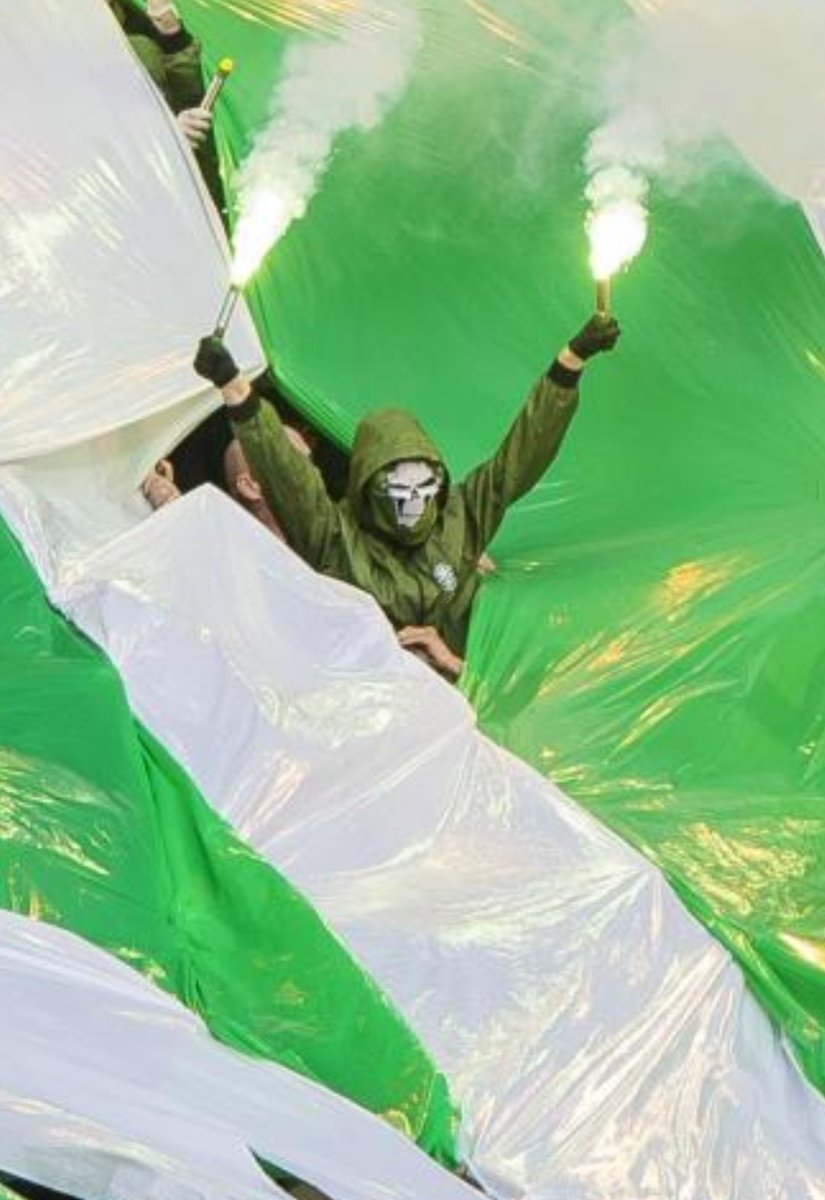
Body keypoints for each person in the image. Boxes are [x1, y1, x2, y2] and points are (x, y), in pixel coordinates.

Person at [192, 314, 620, 674]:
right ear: (370, 487)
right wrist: (234, 386)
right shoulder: (336, 539)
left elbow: (523, 452)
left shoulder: (460, 517)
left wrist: (570, 361)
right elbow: (286, 474)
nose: (416, 501)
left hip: (466, 692)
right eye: (400, 489)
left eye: (425, 486)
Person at [105, 0, 225, 213]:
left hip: (176, 188)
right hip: (122, 200)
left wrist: (173, 36)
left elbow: (188, 95)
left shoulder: (139, 48)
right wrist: (162, 138)